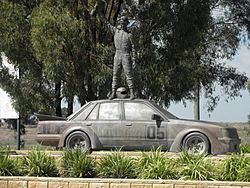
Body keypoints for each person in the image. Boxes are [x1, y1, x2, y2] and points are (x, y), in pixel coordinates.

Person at [91, 1, 136, 100]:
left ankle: (132, 92)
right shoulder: (116, 31)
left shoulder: (129, 35)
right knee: (115, 75)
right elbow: (106, 23)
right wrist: (99, 13)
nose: (122, 23)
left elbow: (133, 47)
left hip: (126, 55)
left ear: (127, 23)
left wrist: (134, 60)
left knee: (129, 75)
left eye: (124, 22)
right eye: (121, 22)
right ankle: (113, 92)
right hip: (117, 54)